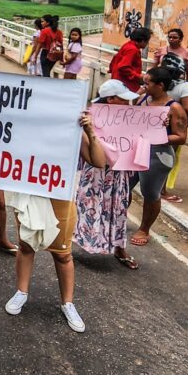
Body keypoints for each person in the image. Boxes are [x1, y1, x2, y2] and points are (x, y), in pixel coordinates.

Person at [5, 111, 108, 332]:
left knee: (63, 254)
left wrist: (90, 131)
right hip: (30, 194)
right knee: (26, 245)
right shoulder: (27, 127)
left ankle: (68, 303)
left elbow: (99, 161)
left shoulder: (73, 132)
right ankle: (21, 292)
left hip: (59, 197)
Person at [74, 80, 142, 269]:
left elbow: (144, 134)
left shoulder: (129, 118)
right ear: (111, 99)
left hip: (118, 175)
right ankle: (69, 245)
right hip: (95, 173)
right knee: (87, 208)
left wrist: (160, 125)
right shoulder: (89, 116)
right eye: (123, 99)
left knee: (118, 209)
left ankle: (119, 247)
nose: (128, 104)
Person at [129, 67, 188, 246]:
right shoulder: (143, 99)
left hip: (157, 155)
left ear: (160, 85)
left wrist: (158, 134)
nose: (144, 86)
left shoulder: (174, 108)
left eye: (147, 83)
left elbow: (181, 137)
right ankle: (117, 216)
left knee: (150, 193)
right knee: (123, 187)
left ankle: (144, 228)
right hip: (135, 151)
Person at [157, 51, 188, 204]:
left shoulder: (157, 82)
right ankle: (161, 190)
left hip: (153, 124)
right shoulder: (183, 86)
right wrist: (187, 120)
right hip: (173, 128)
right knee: (167, 158)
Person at [108, 27, 149, 92]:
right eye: (147, 41)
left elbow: (115, 60)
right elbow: (123, 67)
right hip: (124, 84)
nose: (147, 44)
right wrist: (139, 76)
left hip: (118, 81)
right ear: (143, 40)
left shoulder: (127, 45)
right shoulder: (133, 49)